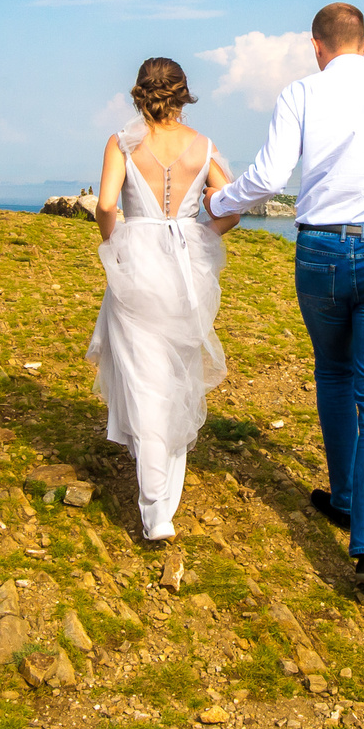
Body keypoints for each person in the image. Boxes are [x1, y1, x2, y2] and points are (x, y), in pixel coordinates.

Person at [204, 3, 364, 599]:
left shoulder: (300, 93)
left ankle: (344, 499)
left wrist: (218, 205)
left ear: (315, 46)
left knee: (333, 374)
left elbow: (268, 177)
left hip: (319, 254)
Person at [86, 57, 240, 544]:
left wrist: (114, 244)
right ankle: (164, 496)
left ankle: (155, 506)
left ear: (140, 93)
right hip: (186, 263)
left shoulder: (122, 142)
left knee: (141, 371)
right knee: (176, 370)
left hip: (138, 258)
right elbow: (233, 203)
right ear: (182, 94)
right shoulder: (204, 146)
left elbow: (107, 204)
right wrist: (205, 231)